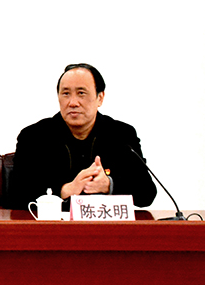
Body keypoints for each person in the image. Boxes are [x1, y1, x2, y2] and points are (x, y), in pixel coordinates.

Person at [10, 63, 157, 210]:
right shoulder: (34, 137)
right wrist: (65, 190)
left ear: (100, 98)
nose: (73, 103)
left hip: (104, 223)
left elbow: (147, 194)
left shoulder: (121, 135)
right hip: (54, 224)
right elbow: (15, 196)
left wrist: (108, 185)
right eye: (66, 94)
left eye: (81, 93)